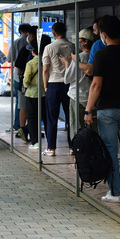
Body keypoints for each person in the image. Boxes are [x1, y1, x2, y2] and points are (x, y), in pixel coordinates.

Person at [84, 15, 120, 202]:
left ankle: (115, 192)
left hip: (106, 109)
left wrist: (88, 109)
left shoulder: (101, 55)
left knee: (110, 149)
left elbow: (96, 85)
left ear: (103, 34)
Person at [41, 22, 75, 156]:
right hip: (69, 85)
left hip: (53, 84)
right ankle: (72, 147)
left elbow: (45, 69)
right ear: (65, 31)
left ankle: (51, 148)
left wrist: (45, 85)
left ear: (53, 34)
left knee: (51, 117)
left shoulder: (49, 48)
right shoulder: (72, 46)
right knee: (70, 116)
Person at [62, 28, 96, 148]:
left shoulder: (79, 58)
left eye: (79, 40)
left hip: (76, 97)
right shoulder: (95, 56)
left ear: (85, 42)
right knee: (93, 128)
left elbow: (67, 79)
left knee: (76, 127)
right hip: (92, 99)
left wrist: (67, 64)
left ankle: (78, 153)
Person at [23, 36, 50, 150]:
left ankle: (35, 142)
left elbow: (26, 79)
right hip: (45, 93)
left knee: (33, 118)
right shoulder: (47, 60)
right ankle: (50, 142)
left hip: (32, 94)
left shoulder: (31, 63)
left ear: (33, 51)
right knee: (46, 117)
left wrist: (25, 85)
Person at [9, 23, 31, 138]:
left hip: (19, 78)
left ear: (20, 31)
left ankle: (19, 126)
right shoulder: (32, 43)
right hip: (33, 79)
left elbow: (9, 58)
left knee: (20, 103)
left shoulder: (16, 42)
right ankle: (28, 127)